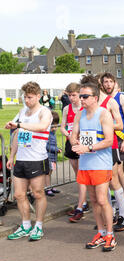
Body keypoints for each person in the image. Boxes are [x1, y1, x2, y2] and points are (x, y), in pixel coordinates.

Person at [71, 82, 116, 252]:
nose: (81, 99)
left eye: (85, 96)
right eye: (80, 96)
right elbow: (73, 135)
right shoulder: (79, 115)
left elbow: (109, 140)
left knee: (103, 199)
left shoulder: (103, 114)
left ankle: (110, 234)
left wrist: (88, 147)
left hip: (100, 164)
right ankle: (101, 232)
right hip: (85, 164)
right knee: (94, 200)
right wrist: (73, 140)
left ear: (95, 98)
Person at [6, 81, 53, 241]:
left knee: (38, 193)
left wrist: (19, 124)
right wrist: (12, 156)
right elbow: (17, 133)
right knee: (19, 195)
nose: (27, 100)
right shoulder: (22, 111)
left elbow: (42, 126)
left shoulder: (44, 111)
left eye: (30, 97)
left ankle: (38, 226)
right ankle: (25, 225)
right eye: (25, 97)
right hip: (21, 159)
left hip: (37, 159)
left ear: (38, 96)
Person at [99, 73, 124, 231]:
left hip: (112, 144)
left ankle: (123, 214)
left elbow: (121, 124)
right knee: (102, 183)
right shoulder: (90, 103)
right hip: (97, 147)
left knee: (114, 179)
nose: (107, 84)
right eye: (105, 82)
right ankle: (110, 215)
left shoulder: (112, 101)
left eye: (110, 81)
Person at [60, 82, 89, 221]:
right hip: (70, 143)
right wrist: (69, 135)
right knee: (78, 175)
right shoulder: (67, 109)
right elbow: (62, 126)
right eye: (69, 95)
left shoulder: (84, 108)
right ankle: (82, 202)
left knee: (83, 174)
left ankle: (82, 204)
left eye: (74, 95)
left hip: (83, 143)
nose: (72, 98)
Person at [45, 111, 61, 197]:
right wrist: (56, 149)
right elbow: (46, 146)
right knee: (47, 173)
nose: (55, 128)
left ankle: (49, 186)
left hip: (53, 156)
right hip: (48, 156)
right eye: (53, 126)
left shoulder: (52, 133)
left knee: (50, 172)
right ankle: (47, 188)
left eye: (56, 126)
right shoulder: (47, 133)